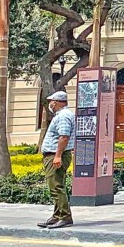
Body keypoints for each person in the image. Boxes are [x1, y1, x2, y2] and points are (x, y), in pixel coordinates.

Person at [38, 89, 75, 230]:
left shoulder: (63, 116)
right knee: (57, 184)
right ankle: (57, 215)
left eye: (52, 101)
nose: (51, 104)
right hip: (55, 154)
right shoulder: (63, 115)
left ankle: (65, 217)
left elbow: (64, 136)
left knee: (56, 186)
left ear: (59, 102)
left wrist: (58, 156)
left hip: (55, 154)